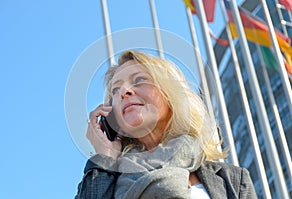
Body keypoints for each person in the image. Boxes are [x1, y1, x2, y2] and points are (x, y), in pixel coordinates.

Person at [75, 50, 257, 199]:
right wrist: (105, 158)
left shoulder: (232, 180)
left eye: (139, 80)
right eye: (116, 89)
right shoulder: (103, 180)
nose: (124, 91)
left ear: (170, 93)